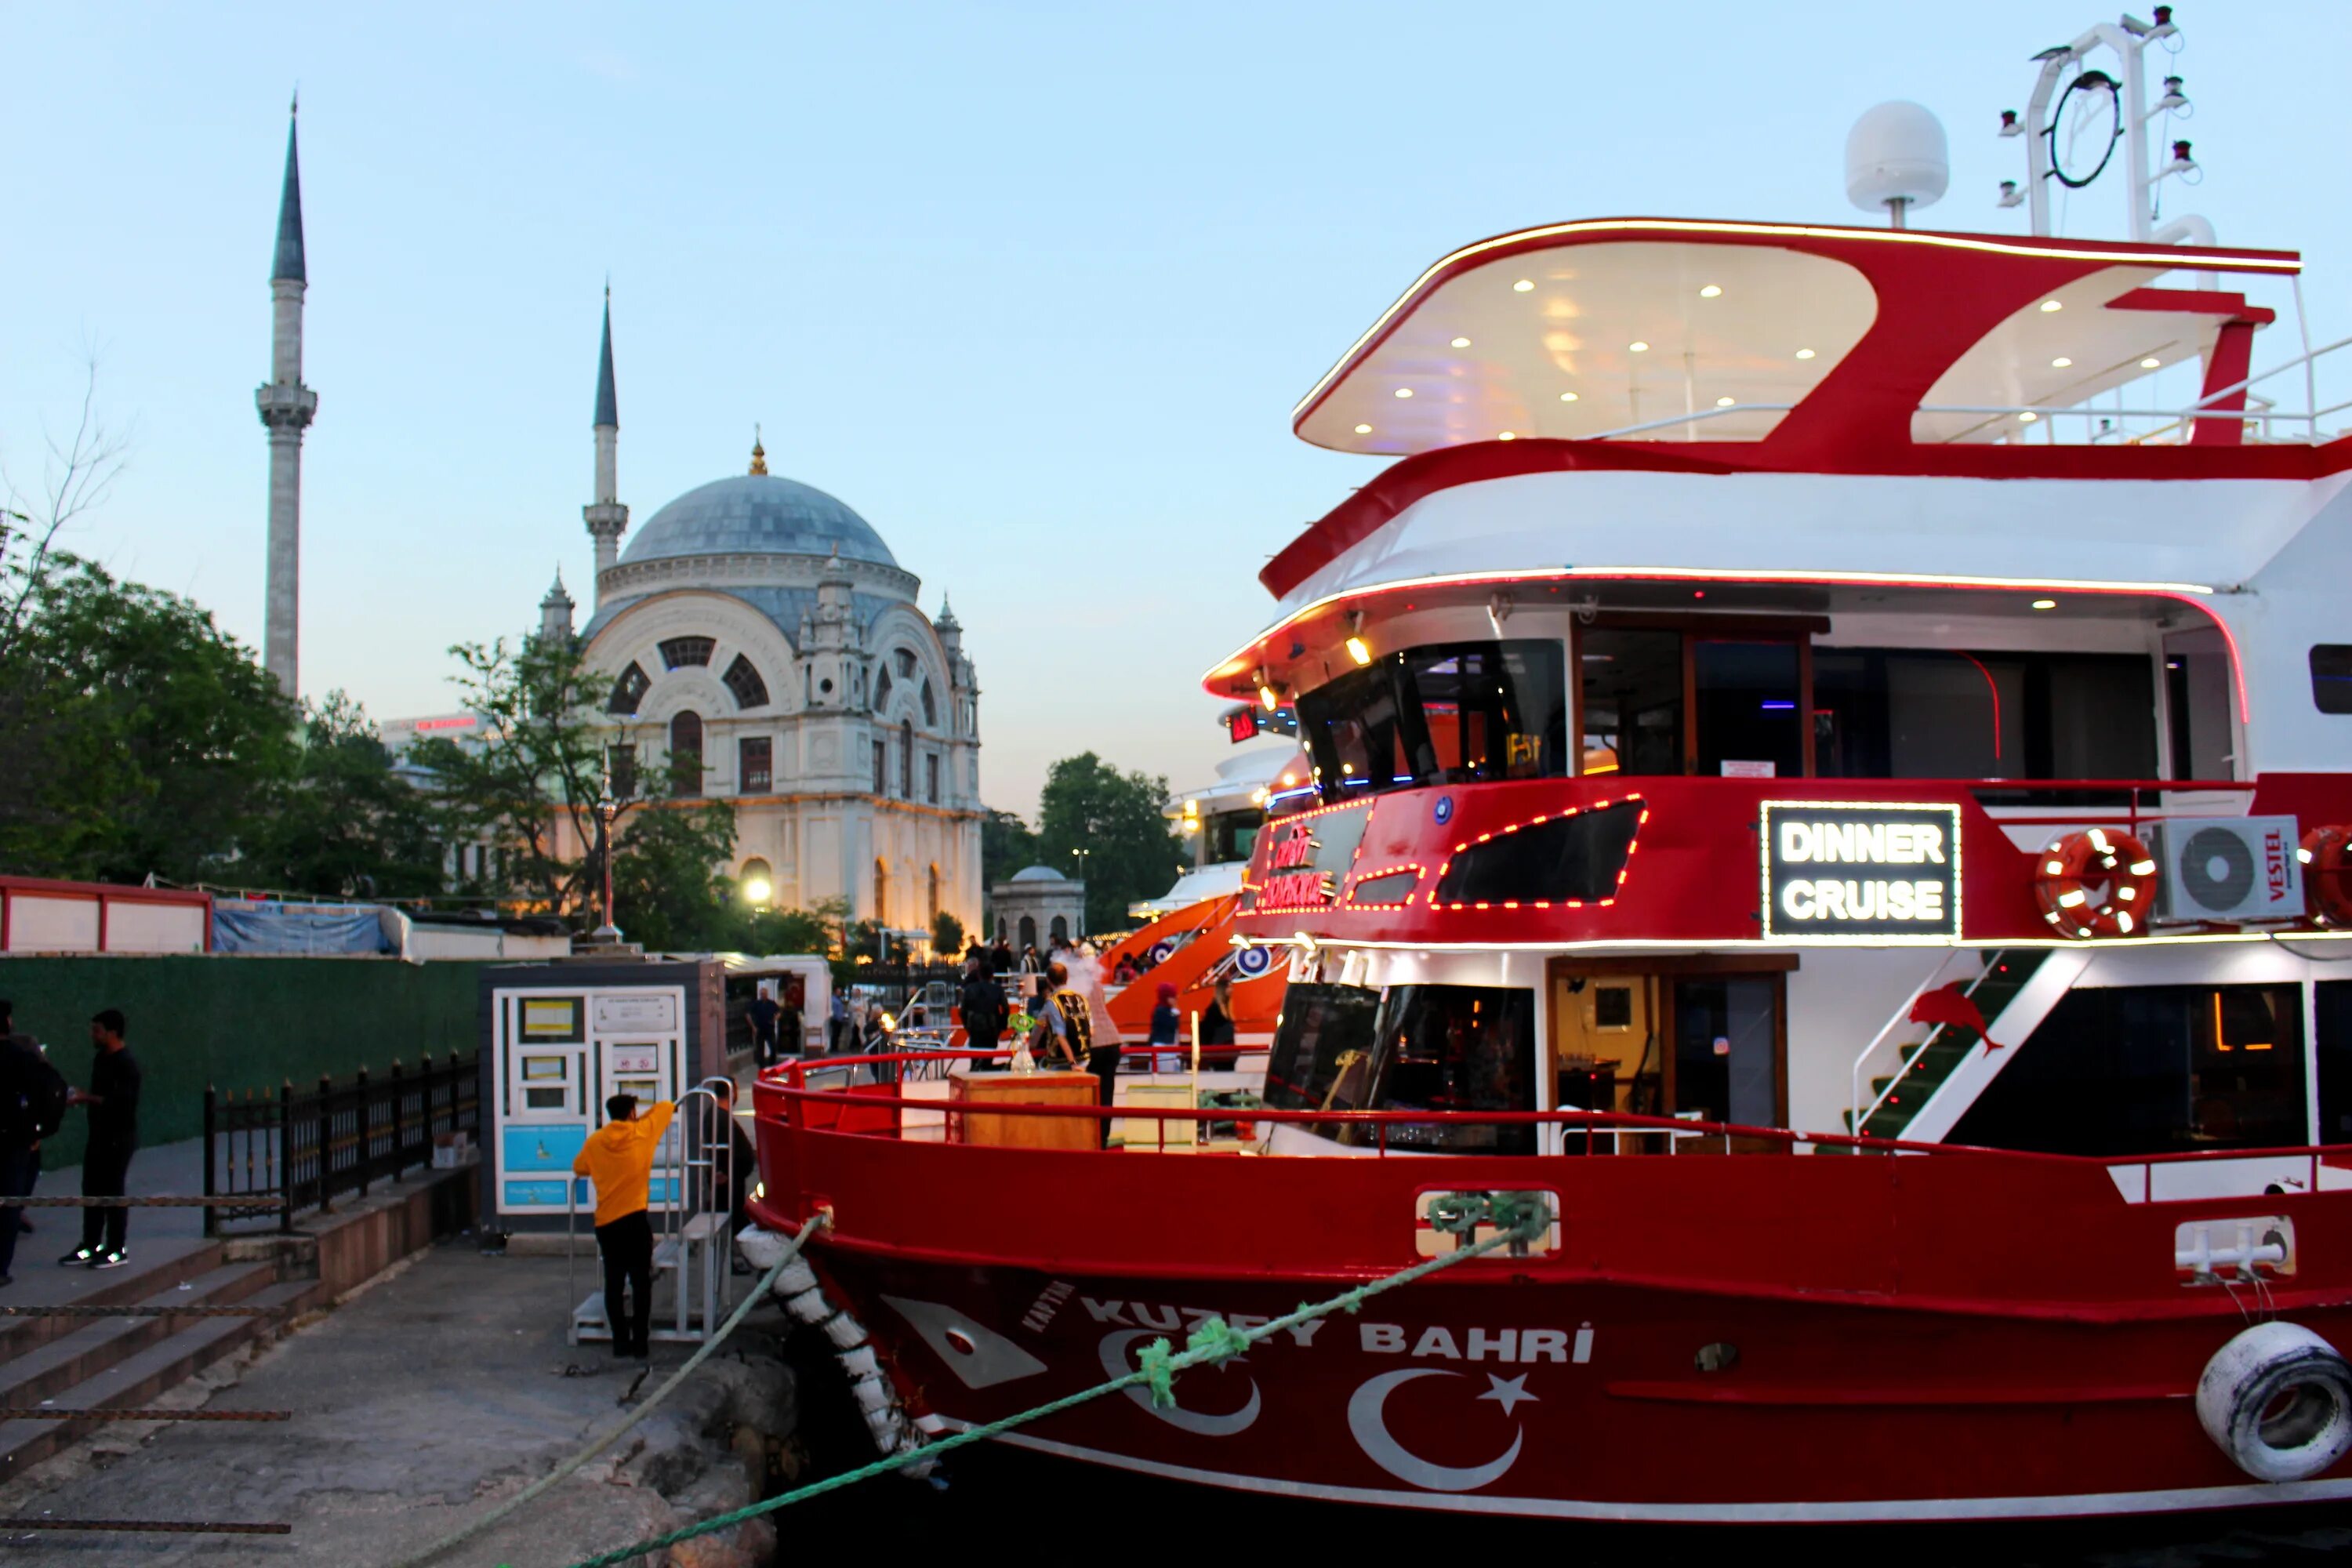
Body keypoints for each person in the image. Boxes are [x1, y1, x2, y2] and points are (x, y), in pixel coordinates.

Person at [571, 1092, 676, 1359]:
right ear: (631, 1112)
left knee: (614, 1282)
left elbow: (579, 1167)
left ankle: (620, 1341)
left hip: (607, 1223)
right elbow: (666, 1106)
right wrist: (640, 1118)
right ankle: (641, 1341)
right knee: (641, 1282)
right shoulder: (642, 1132)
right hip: (635, 1219)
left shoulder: (596, 1141)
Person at [64, 1008, 140, 1269]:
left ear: (112, 1033)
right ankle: (90, 1245)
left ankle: (117, 1249)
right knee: (92, 1189)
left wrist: (86, 1098)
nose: (92, 1035)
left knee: (112, 1191)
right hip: (97, 1136)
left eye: (97, 1030)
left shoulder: (127, 1064)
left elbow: (122, 1104)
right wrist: (82, 1100)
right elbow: (99, 1098)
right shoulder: (101, 1059)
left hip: (119, 1138)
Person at [1, 1000, 65, 1288]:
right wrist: (37, 1131)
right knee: (9, 1203)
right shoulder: (22, 1057)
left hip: (14, 1138)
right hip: (14, 1140)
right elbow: (52, 1089)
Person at [959, 954, 1006, 1069]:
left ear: (979, 975)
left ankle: (977, 1070)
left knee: (975, 1057)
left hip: (975, 1027)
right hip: (992, 1027)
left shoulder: (970, 989)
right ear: (992, 976)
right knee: (988, 1056)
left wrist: (968, 1025)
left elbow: (963, 1010)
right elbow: (1006, 1008)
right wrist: (1001, 1026)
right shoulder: (997, 989)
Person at [1149, 982, 1183, 1074]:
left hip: (1169, 1046)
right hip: (1163, 1048)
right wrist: (1176, 1013)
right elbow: (1172, 1025)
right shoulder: (1161, 1011)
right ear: (1166, 997)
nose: (1176, 998)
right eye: (1173, 996)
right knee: (1166, 1075)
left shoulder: (1165, 1010)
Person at [1200, 978, 1236, 1059]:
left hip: (1228, 1049)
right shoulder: (1214, 1008)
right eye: (1229, 987)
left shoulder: (1227, 1007)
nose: (1232, 990)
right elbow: (1209, 1029)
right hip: (1218, 1050)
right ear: (1222, 989)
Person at [747, 990, 782, 1066]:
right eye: (762, 994)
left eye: (764, 994)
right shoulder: (757, 1004)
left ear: (767, 994)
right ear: (760, 995)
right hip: (759, 1028)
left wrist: (775, 1019)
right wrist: (753, 1027)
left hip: (769, 1028)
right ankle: (762, 1066)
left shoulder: (771, 1003)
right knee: (760, 1049)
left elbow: (779, 1012)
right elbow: (748, 1014)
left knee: (773, 1047)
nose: (763, 995)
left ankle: (772, 1063)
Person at [775, 993, 804, 1062]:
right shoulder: (795, 1013)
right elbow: (798, 1022)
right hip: (793, 1030)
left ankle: (782, 1049)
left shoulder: (783, 1012)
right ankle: (794, 1050)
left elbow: (780, 1020)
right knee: (794, 1039)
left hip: (784, 1030)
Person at [828, 989, 849, 1054]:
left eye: (840, 992)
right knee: (835, 1034)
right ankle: (833, 1048)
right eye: (838, 992)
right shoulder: (833, 1000)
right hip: (835, 1020)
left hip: (840, 1020)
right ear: (835, 992)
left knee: (838, 1034)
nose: (839, 993)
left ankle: (836, 1048)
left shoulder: (839, 1000)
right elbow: (833, 1010)